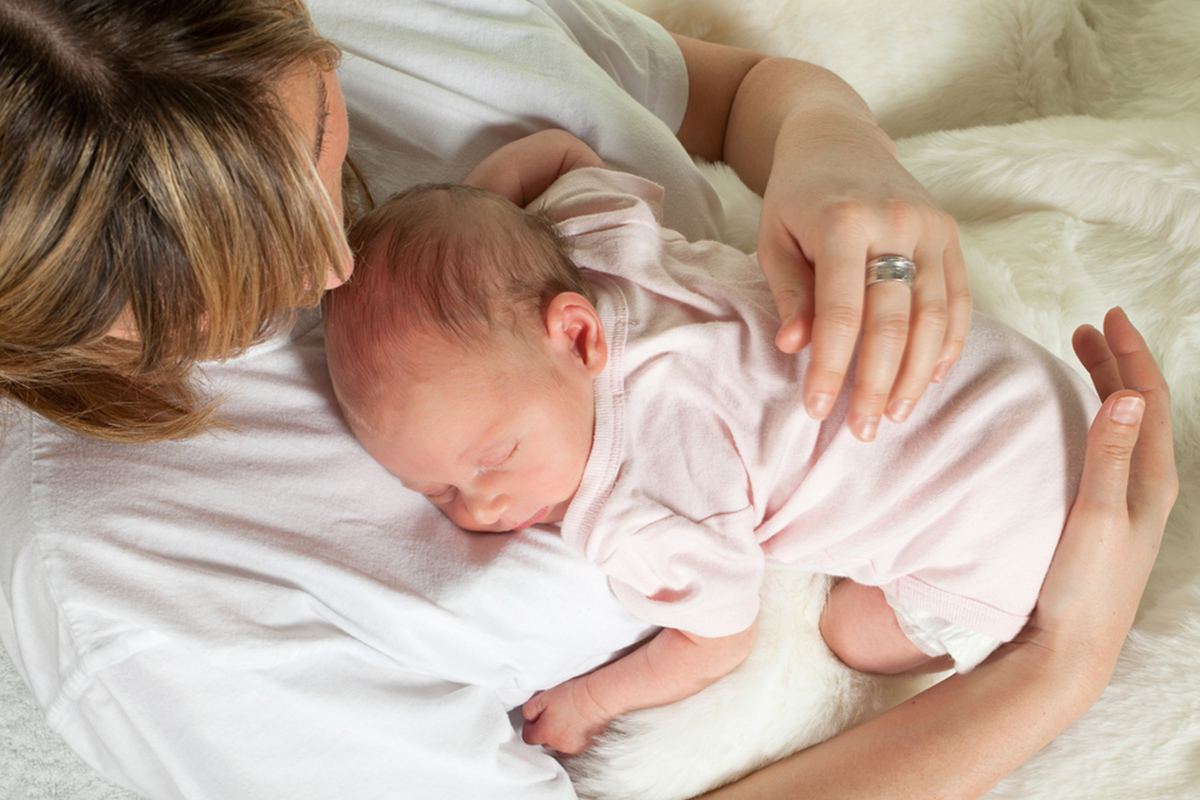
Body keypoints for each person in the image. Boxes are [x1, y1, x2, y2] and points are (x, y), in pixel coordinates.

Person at [0, 0, 1176, 798]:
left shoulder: (384, 18)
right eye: (209, 291)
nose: (329, 264)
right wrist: (1057, 664)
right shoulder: (142, 600)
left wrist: (833, 145)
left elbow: (729, 97)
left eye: (313, 137)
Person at [321, 133, 1097, 755]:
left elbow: (717, 640)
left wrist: (591, 701)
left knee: (847, 632)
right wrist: (476, 221)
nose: (483, 506)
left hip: (1007, 530)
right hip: (1023, 386)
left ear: (577, 334)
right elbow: (559, 152)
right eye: (439, 492)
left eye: (495, 458)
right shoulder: (597, 244)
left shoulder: (638, 502)